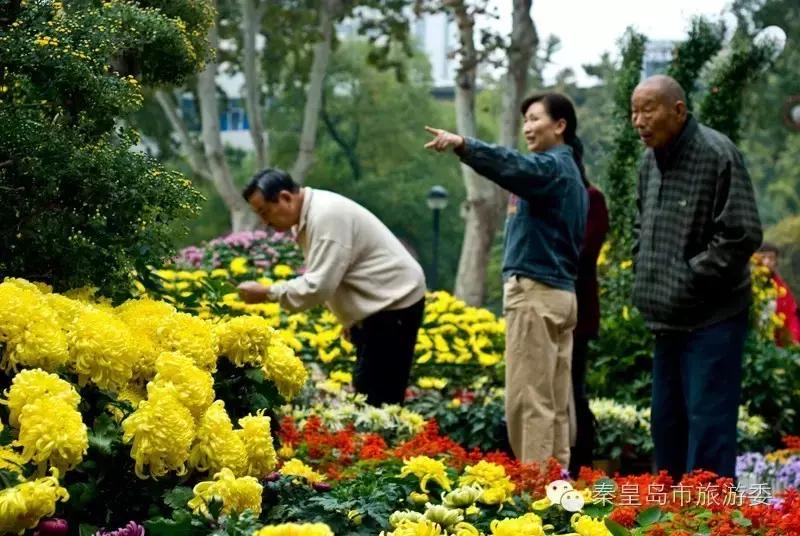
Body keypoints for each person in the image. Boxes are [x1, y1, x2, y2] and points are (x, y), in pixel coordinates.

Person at [424, 92, 588, 467]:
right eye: (525, 120)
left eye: (535, 119)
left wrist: (464, 145)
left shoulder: (551, 168)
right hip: (559, 296)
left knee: (529, 402)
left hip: (536, 295)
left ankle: (535, 490)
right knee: (553, 403)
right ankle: (556, 487)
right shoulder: (570, 173)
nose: (527, 127)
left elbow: (511, 165)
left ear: (560, 126)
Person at [631, 75, 763, 480]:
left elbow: (741, 234)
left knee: (708, 428)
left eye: (648, 110)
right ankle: (670, 512)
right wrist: (645, 265)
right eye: (634, 112)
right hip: (666, 320)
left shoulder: (716, 153)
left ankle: (711, 512)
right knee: (666, 426)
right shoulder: (649, 162)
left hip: (712, 319)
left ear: (678, 111)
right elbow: (639, 225)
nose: (639, 121)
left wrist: (688, 278)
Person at [236, 168, 427, 406]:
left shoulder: (326, 216)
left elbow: (319, 285)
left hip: (395, 301)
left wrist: (267, 292)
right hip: (381, 303)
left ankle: (388, 429)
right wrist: (352, 319)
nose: (265, 222)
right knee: (369, 390)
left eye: (265, 212)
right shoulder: (312, 215)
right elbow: (337, 272)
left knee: (378, 396)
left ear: (285, 197)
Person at [569, 184, 609, 477]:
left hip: (578, 313)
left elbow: (585, 253)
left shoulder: (591, 198)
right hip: (553, 306)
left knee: (573, 389)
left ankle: (580, 463)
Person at [753, 242, 800, 347]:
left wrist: (794, 341)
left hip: (772, 343)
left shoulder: (781, 289)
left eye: (771, 258)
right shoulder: (748, 284)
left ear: (776, 262)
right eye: (763, 257)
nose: (766, 262)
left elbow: (790, 316)